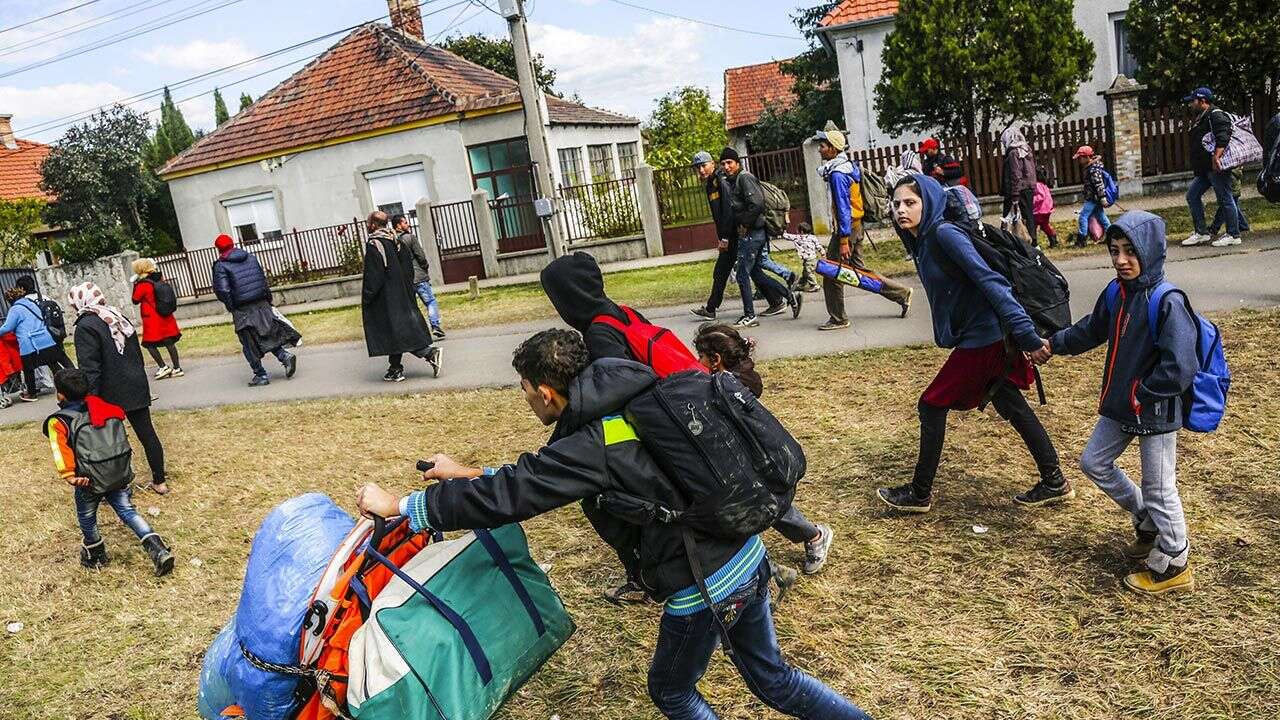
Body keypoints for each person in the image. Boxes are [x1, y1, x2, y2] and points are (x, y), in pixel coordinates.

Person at [355, 329, 872, 720]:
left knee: (671, 691)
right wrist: (463, 474)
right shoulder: (638, 397)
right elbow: (544, 475)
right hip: (745, 553)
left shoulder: (594, 441)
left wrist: (405, 506)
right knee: (773, 678)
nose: (525, 399)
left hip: (705, 585)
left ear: (546, 393)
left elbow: (519, 491)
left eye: (525, 390)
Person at [876, 175, 1071, 513]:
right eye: (896, 204)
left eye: (910, 202)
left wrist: (1027, 336)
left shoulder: (944, 234)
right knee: (1009, 402)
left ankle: (919, 493)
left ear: (930, 203)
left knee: (931, 404)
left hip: (987, 338)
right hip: (981, 336)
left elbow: (992, 282)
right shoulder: (921, 240)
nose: (901, 209)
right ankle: (1054, 481)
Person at [1032, 211, 1198, 594]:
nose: (1121, 260)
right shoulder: (1116, 292)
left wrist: (1143, 393)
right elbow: (1091, 330)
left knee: (1160, 488)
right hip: (1121, 406)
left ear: (1152, 252)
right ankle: (1147, 519)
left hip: (1153, 412)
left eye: (1130, 251)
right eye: (1115, 251)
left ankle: (1174, 563)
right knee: (1094, 462)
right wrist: (1052, 344)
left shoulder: (1167, 301)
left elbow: (1180, 367)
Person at [693, 323, 834, 576]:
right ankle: (804, 540)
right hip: (748, 458)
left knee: (764, 506)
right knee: (762, 505)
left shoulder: (727, 386)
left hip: (753, 458)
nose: (698, 361)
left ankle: (813, 536)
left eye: (701, 357)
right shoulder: (733, 379)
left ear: (715, 359)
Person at [43, 368, 174, 576]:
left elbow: (61, 451)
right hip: (117, 473)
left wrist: (69, 475)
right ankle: (157, 548)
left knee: (87, 516)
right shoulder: (105, 408)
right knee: (128, 511)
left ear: (60, 394)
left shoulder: (59, 421)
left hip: (88, 480)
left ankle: (95, 553)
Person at [68, 282, 169, 495]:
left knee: (112, 441)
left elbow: (90, 368)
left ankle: (117, 485)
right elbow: (136, 354)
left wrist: (89, 398)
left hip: (108, 391)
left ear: (80, 301)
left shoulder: (86, 326)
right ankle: (160, 481)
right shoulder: (117, 316)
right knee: (147, 433)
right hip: (134, 384)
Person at [812, 128, 913, 331]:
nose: (820, 150)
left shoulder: (838, 174)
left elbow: (843, 208)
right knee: (859, 272)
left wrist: (842, 240)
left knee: (832, 275)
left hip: (847, 230)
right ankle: (901, 293)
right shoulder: (848, 166)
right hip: (856, 227)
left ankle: (838, 318)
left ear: (833, 149)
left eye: (822, 146)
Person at [688, 151, 787, 321]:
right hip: (731, 234)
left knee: (735, 271)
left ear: (713, 164)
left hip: (736, 234)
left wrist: (725, 237)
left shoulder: (722, 182)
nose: (701, 170)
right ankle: (777, 300)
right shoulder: (712, 183)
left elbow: (728, 211)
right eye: (698, 168)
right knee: (745, 271)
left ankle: (781, 297)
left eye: (703, 166)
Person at [721, 146, 801, 327]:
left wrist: (744, 225)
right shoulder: (734, 180)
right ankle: (790, 296)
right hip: (753, 233)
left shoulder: (745, 178)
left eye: (729, 163)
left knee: (742, 275)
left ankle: (749, 315)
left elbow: (757, 205)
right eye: (724, 163)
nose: (726, 167)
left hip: (752, 234)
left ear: (737, 163)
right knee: (756, 272)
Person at [361, 211, 442, 382]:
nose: (367, 225)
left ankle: (429, 353)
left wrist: (367, 296)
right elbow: (408, 267)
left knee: (397, 331)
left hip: (386, 298)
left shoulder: (375, 244)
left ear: (374, 224)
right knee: (395, 331)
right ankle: (395, 368)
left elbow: (373, 276)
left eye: (368, 222)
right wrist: (406, 288)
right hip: (402, 293)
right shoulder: (395, 240)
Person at [212, 234, 300, 386]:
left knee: (248, 343)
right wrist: (268, 299)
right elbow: (263, 279)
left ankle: (261, 375)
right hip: (261, 302)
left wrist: (231, 306)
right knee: (267, 335)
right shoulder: (251, 257)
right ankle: (284, 356)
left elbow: (223, 290)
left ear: (218, 249)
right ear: (233, 244)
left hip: (242, 308)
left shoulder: (221, 265)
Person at [1180, 87, 1241, 248]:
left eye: (1193, 101)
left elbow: (1224, 135)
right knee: (1192, 195)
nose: (1191, 104)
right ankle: (1202, 233)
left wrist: (1217, 157)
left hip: (1216, 167)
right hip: (1205, 169)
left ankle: (1233, 234)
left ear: (1202, 101)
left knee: (1225, 198)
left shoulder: (1215, 115)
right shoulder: (1203, 117)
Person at [0, 277, 73, 403]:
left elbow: (8, 327)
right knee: (55, 363)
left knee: (28, 370)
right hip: (47, 339)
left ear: (10, 300)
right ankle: (70, 384)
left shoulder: (15, 309)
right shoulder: (32, 304)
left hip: (30, 344)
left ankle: (32, 394)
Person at [392, 213, 445, 340]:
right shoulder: (410, 238)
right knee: (430, 301)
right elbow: (420, 256)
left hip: (405, 279)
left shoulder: (392, 241)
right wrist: (425, 267)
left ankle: (416, 332)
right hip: (418, 276)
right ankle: (435, 325)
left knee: (412, 307)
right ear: (398, 225)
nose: (408, 224)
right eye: (405, 222)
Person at [130, 258, 184, 379]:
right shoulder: (158, 278)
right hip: (165, 315)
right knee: (169, 342)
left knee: (149, 344)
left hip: (152, 319)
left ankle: (163, 367)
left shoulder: (142, 284)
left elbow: (135, 300)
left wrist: (135, 284)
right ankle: (177, 368)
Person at [1000, 126, 1038, 246]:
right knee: (1028, 215)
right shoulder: (1026, 150)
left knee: (1008, 217)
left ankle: (1007, 241)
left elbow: (1015, 174)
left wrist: (1015, 194)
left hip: (1016, 191)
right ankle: (1033, 241)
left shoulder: (1012, 153)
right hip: (1028, 189)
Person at [1073, 146, 1113, 245]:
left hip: (1093, 198)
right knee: (1101, 216)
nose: (1079, 160)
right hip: (1095, 197)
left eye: (1080, 158)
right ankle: (1111, 236)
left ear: (1086, 157)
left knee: (1083, 216)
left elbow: (1099, 184)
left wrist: (1103, 197)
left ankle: (1082, 240)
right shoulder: (1092, 167)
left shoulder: (1093, 169)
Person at [781, 221, 823, 293]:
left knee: (809, 273)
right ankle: (802, 284)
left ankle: (815, 285)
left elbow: (786, 236)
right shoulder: (813, 237)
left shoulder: (798, 237)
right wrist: (822, 252)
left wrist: (783, 230)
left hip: (809, 260)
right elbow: (818, 245)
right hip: (813, 259)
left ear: (802, 231)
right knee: (805, 273)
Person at [1207, 167, 1249, 238]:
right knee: (1233, 206)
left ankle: (1214, 228)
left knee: (1226, 206)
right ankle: (1243, 225)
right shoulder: (1236, 168)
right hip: (1235, 187)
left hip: (1231, 188)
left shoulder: (1229, 170)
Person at [1032, 165, 1060, 248]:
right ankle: (1053, 239)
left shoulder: (1037, 185)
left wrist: (1031, 200)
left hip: (1039, 210)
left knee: (1033, 226)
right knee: (1045, 225)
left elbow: (1040, 197)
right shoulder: (1044, 185)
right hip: (1047, 210)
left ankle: (1034, 242)